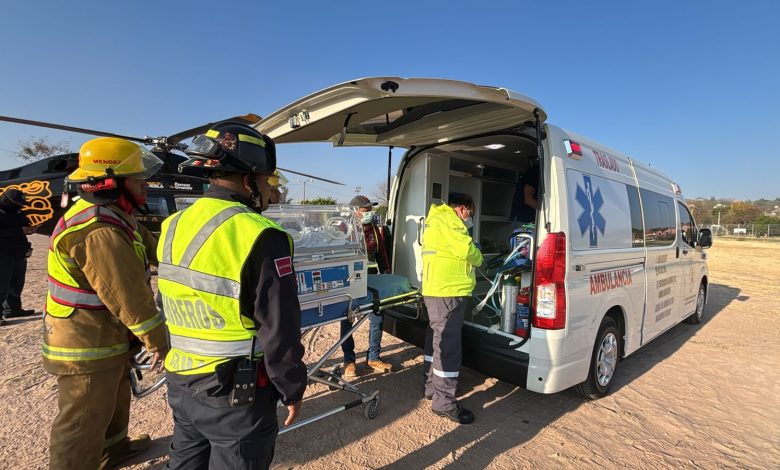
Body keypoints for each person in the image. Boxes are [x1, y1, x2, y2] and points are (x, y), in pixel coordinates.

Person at [157, 122, 307, 469]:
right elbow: (279, 327)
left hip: (181, 379)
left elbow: (166, 297)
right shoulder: (261, 234)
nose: (270, 190)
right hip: (234, 392)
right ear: (248, 179)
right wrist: (292, 388)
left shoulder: (173, 224)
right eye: (267, 180)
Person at [43, 137, 170, 469]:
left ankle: (111, 452)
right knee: (84, 419)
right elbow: (127, 295)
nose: (145, 186)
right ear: (112, 182)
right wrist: (157, 340)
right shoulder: (99, 229)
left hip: (104, 335)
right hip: (85, 343)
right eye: (138, 180)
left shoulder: (117, 216)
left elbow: (157, 251)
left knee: (113, 400)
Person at [421, 192, 483, 425]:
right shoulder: (450, 221)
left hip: (436, 289)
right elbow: (467, 251)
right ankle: (444, 402)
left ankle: (432, 387)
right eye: (470, 214)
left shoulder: (435, 220)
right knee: (448, 347)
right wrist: (479, 256)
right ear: (462, 209)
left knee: (436, 340)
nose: (469, 219)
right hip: (449, 291)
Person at [339, 195, 392, 378]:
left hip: (371, 280)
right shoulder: (342, 229)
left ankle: (374, 357)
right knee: (347, 319)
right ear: (355, 212)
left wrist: (386, 273)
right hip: (350, 281)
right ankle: (349, 361)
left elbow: (381, 253)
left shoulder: (374, 230)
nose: (369, 213)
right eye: (365, 210)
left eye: (370, 210)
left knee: (377, 318)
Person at [0, 188, 37, 324]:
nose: (20, 206)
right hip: (3, 252)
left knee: (17, 283)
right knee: (2, 285)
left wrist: (30, 229)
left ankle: (13, 309)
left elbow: (24, 225)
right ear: (7, 200)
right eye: (17, 204)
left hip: (19, 251)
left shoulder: (19, 211)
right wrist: (19, 230)